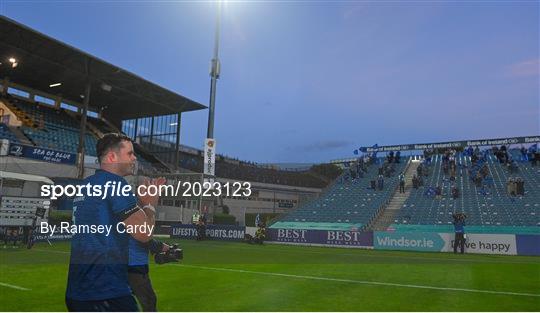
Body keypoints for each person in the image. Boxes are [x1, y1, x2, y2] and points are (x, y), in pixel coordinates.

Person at [65, 133, 165, 312]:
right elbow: (143, 234)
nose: (134, 158)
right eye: (130, 153)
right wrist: (150, 204)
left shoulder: (85, 185)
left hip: (77, 290)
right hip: (106, 291)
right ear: (112, 157)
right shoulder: (116, 184)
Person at [128, 238, 171, 312]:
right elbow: (143, 237)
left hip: (121, 265)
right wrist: (162, 247)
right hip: (135, 267)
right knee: (149, 300)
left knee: (122, 299)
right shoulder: (135, 227)